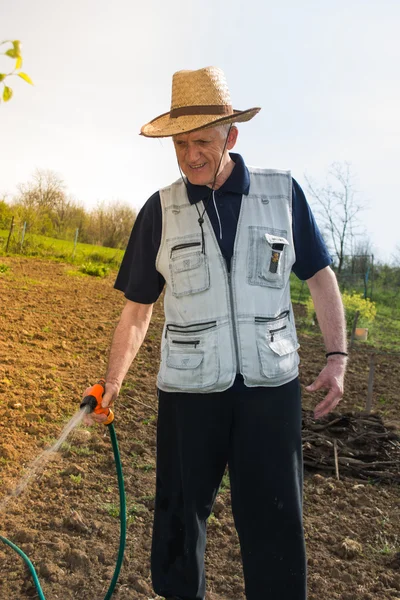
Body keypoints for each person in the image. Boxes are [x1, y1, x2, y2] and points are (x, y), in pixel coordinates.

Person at [86, 66, 347, 600]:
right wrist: (112, 381)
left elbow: (321, 278)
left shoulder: (282, 194)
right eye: (180, 145)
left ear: (231, 135)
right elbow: (138, 311)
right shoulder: (159, 211)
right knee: (179, 522)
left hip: (270, 393)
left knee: (275, 522)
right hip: (189, 394)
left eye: (202, 141)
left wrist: (338, 355)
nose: (190, 156)